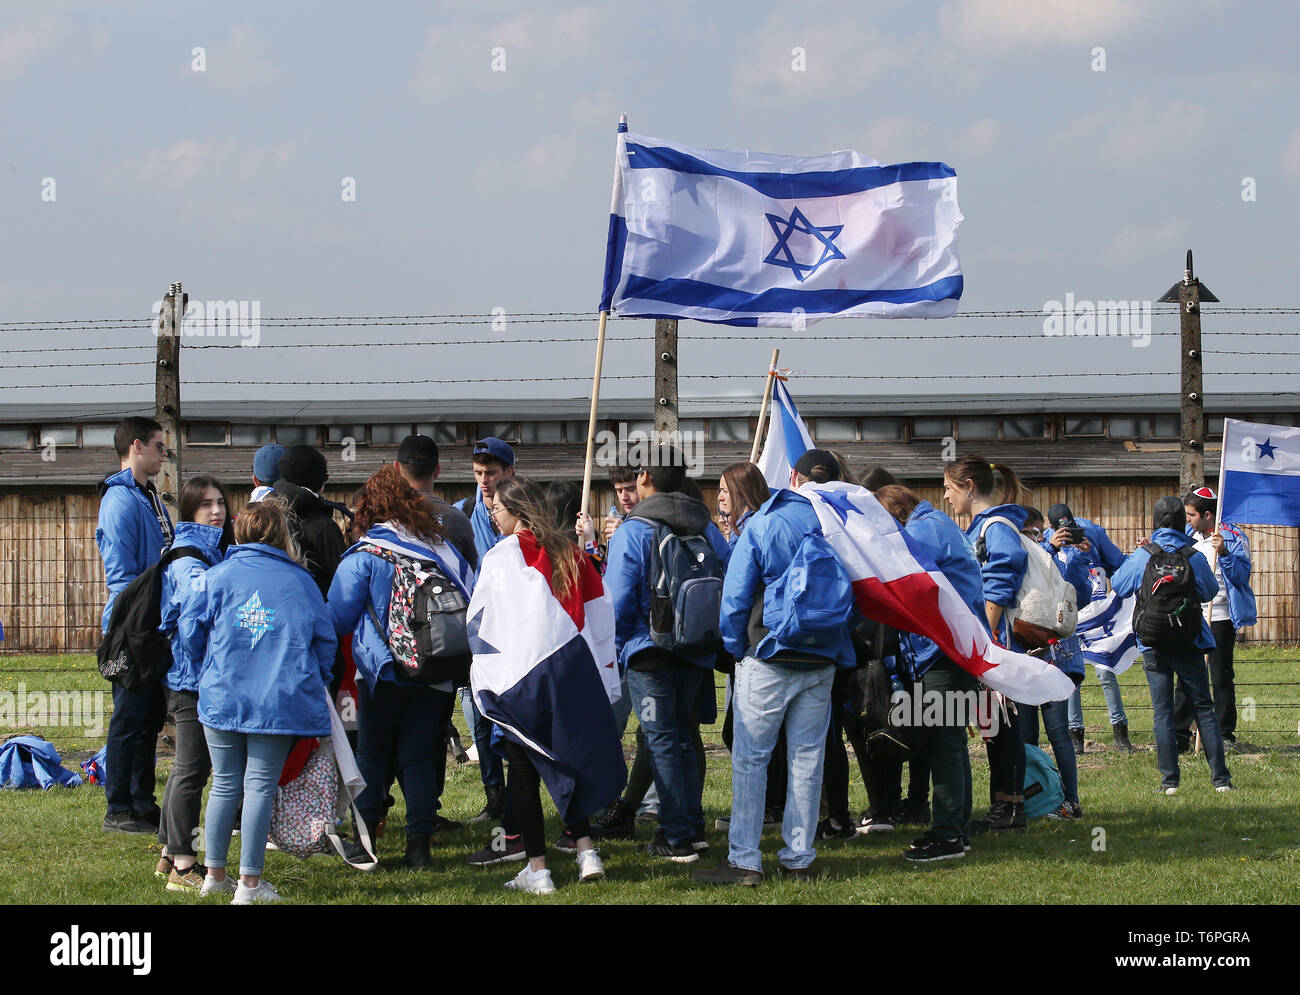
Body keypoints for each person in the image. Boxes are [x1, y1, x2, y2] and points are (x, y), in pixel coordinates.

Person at [696, 449, 856, 885]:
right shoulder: (842, 524)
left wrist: (735, 649)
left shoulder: (764, 524)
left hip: (767, 652)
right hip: (822, 655)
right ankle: (799, 858)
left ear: (792, 477)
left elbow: (735, 599)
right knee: (808, 759)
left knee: (752, 760)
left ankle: (745, 860)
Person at [468, 475, 625, 893]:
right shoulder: (571, 552)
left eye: (497, 509)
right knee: (565, 761)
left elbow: (483, 622)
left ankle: (538, 870)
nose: (492, 514)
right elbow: (600, 614)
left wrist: (488, 676)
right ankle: (586, 851)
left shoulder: (502, 556)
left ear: (517, 511)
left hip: (524, 677)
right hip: (574, 672)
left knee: (524, 774)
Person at [180, 501, 337, 903]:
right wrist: (315, 679)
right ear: (282, 534)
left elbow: (189, 630)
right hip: (277, 700)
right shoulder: (301, 581)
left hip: (221, 696)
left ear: (239, 532)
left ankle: (214, 876)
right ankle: (249, 886)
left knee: (224, 784)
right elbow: (325, 640)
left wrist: (207, 667)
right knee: (259, 788)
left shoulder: (216, 577)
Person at [327, 464, 474, 868]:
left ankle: (366, 839)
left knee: (372, 754)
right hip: (435, 670)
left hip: (382, 674)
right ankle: (419, 847)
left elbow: (336, 619)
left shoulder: (365, 555)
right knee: (420, 757)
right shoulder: (440, 549)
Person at [606, 446, 730, 863]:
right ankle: (692, 828)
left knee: (662, 741)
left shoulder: (633, 529)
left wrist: (617, 647)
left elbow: (619, 600)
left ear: (644, 476)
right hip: (696, 648)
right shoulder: (705, 525)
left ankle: (675, 836)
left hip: (649, 651)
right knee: (683, 737)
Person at [875, 484, 985, 861]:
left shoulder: (922, 532)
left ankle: (949, 836)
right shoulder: (938, 524)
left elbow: (907, 585)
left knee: (943, 742)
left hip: (941, 652)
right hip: (951, 649)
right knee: (950, 742)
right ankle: (957, 830)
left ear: (895, 512)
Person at [1111, 496, 1233, 794]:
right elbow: (1209, 592)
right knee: (1203, 707)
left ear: (1154, 522)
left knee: (1162, 711)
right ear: (1183, 522)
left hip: (1152, 641)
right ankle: (1221, 781)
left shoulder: (1144, 555)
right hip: (1188, 639)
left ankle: (1169, 783)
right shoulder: (1193, 555)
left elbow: (1118, 585)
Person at [942, 456, 1031, 832]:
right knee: (995, 724)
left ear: (969, 487)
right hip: (994, 641)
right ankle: (1004, 805)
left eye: (949, 488)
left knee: (1004, 724)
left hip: (999, 642)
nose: (946, 497)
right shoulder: (986, 527)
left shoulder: (996, 527)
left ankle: (1011, 808)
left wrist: (985, 642)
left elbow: (999, 582)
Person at [154, 476, 232, 891]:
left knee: (187, 768)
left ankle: (170, 852)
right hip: (192, 680)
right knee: (192, 769)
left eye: (220, 502)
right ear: (189, 512)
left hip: (190, 677)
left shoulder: (204, 552)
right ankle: (185, 865)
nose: (217, 511)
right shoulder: (191, 561)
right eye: (206, 505)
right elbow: (193, 627)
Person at [96, 417, 174, 835]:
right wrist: (142, 615)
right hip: (133, 625)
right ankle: (119, 807)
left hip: (154, 622)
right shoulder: (121, 500)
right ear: (137, 446)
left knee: (149, 717)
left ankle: (143, 802)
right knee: (128, 718)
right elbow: (121, 574)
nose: (165, 454)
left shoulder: (151, 497)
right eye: (160, 447)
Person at [454, 437, 516, 824]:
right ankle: (494, 797)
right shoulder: (462, 514)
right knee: (479, 715)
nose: (484, 481)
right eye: (478, 473)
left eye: (491, 473)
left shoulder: (526, 512)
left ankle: (522, 793)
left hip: (517, 629)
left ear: (509, 471)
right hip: (479, 631)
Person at [1042, 501, 1131, 755]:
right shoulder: (1044, 541)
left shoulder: (1093, 532)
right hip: (1064, 614)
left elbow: (1118, 564)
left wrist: (1089, 556)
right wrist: (1052, 546)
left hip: (1095, 610)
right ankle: (1075, 735)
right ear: (1051, 528)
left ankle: (1120, 730)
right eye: (1062, 531)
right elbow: (1038, 569)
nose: (1069, 534)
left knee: (1105, 669)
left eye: (1072, 528)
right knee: (1072, 675)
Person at [1173, 486, 1257, 752]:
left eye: (1191, 514)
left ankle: (1223, 733)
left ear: (1208, 514)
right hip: (1193, 615)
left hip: (1220, 617)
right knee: (1186, 673)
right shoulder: (1188, 537)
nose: (1187, 519)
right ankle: (1179, 734)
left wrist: (1226, 555)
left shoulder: (1232, 537)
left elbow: (1242, 577)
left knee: (1220, 676)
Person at [1014, 506, 1085, 819]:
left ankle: (1071, 800)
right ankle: (1034, 800)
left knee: (1059, 735)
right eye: (1030, 533)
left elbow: (1078, 596)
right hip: (1024, 661)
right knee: (1026, 739)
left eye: (1039, 532)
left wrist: (1076, 557)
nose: (1037, 538)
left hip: (1057, 659)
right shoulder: (1019, 560)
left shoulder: (1058, 558)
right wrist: (1048, 549)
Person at [271, 445, 348, 599]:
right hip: (317, 611)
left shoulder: (267, 516)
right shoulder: (324, 528)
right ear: (319, 481)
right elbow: (343, 587)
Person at [395, 434, 477, 571]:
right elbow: (470, 572)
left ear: (397, 468)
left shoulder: (383, 516)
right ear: (437, 470)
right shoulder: (457, 520)